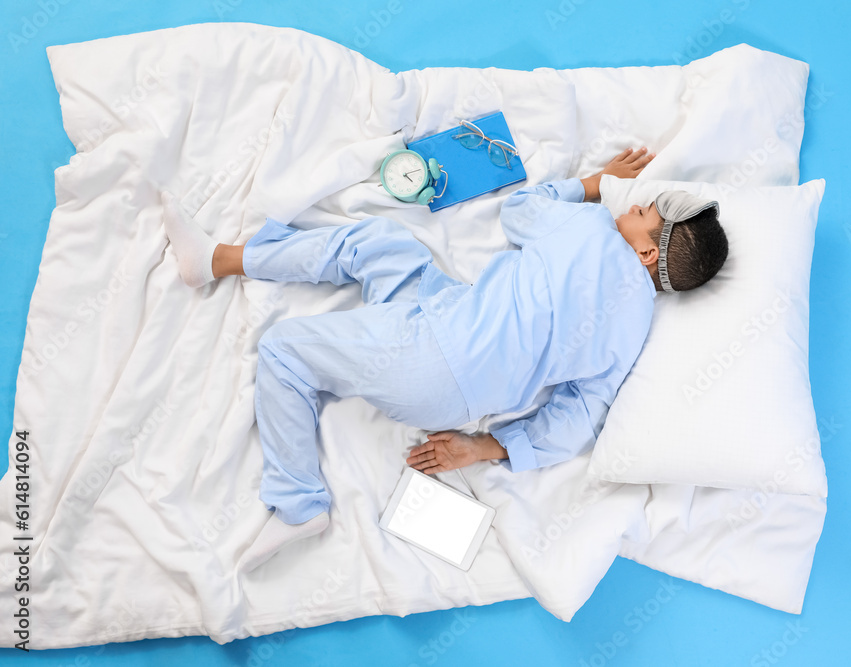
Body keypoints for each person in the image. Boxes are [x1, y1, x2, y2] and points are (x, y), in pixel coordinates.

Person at [159, 146, 729, 572]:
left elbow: (520, 210)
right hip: (450, 338)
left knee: (283, 352)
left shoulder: (594, 230)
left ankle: (297, 503)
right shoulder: (634, 329)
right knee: (379, 244)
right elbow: (581, 416)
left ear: (647, 248)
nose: (633, 203)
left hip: (433, 354)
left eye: (645, 210)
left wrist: (592, 183)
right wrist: (487, 447)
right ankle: (216, 259)